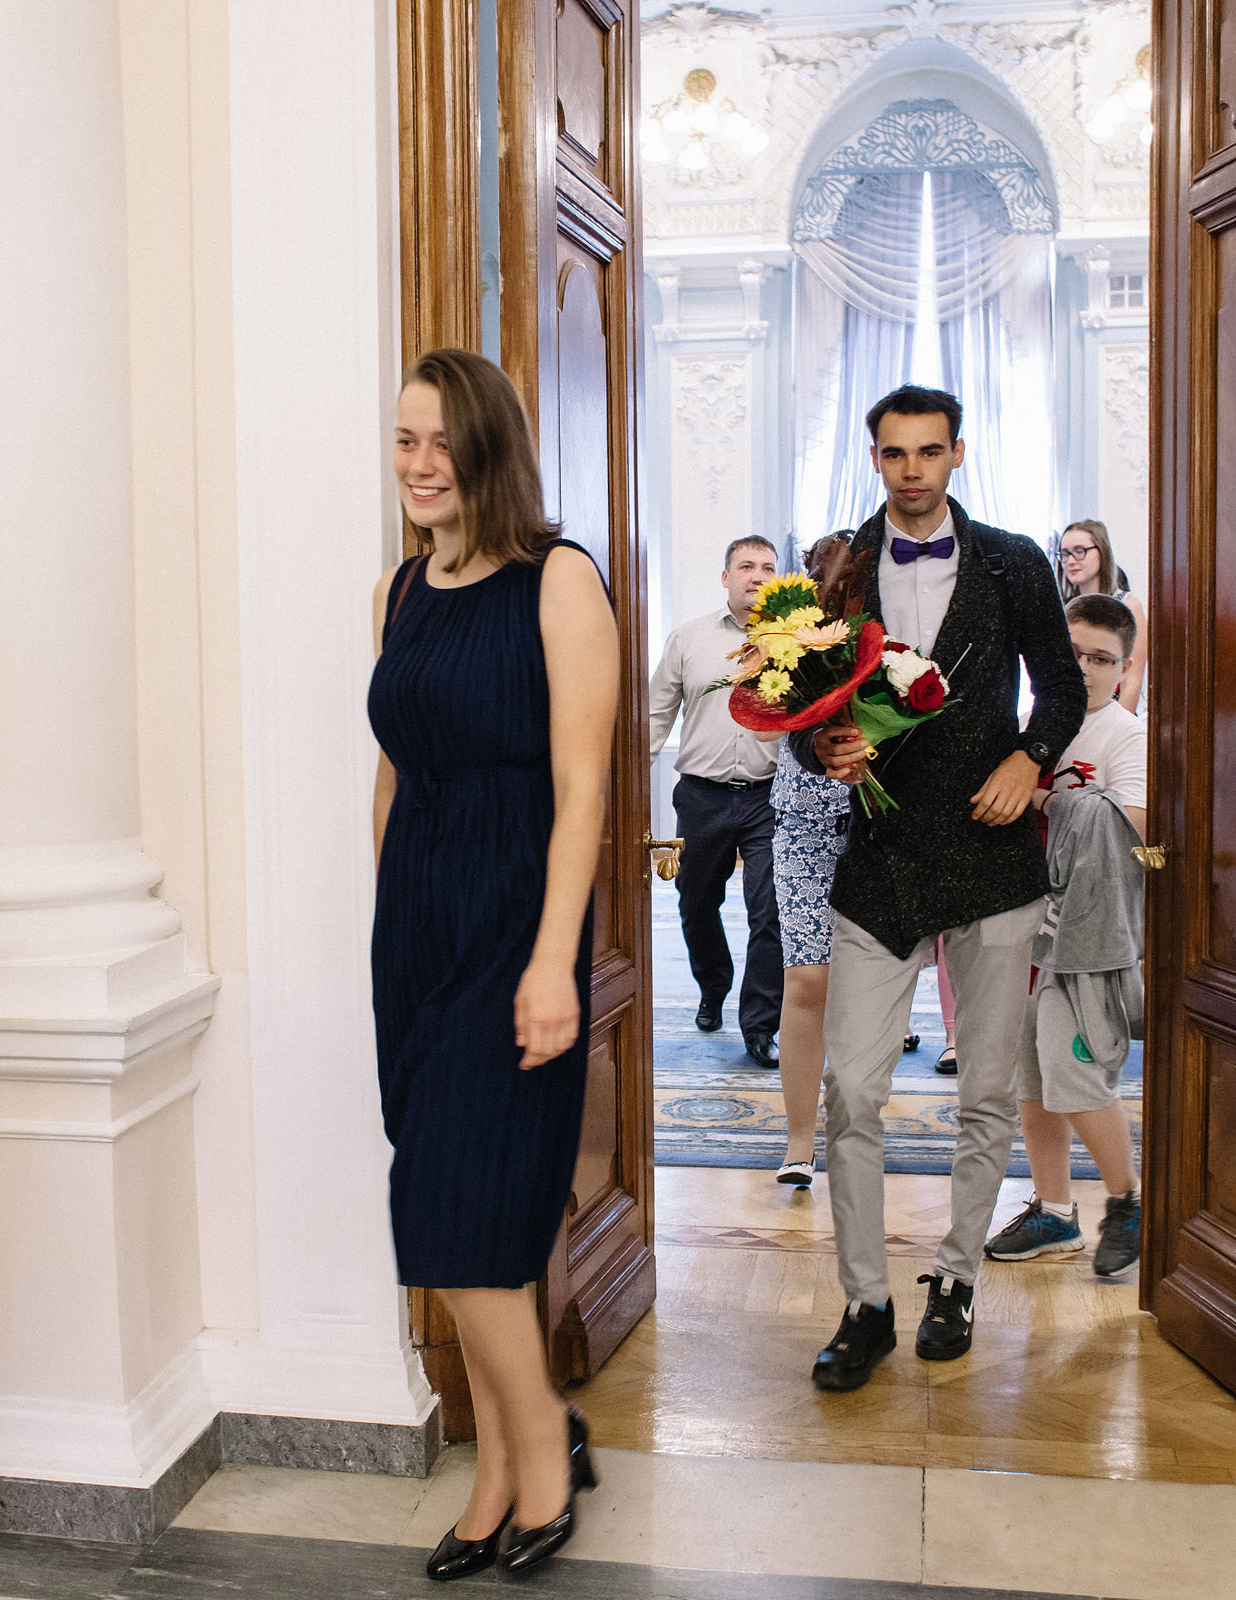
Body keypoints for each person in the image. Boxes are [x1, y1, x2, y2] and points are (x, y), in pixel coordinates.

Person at [368, 347, 616, 1579]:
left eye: (438, 442)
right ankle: (518, 1454)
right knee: (445, 1203)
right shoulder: (399, 591)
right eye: (403, 440)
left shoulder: (560, 581)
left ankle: (529, 1460)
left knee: (464, 1217)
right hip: (417, 927)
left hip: (516, 920)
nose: (418, 465)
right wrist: (385, 916)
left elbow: (584, 790)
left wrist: (555, 960)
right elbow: (396, 770)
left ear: (486, 447)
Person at [795, 385, 1087, 1393]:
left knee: (988, 1093)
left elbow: (1061, 681)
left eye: (929, 451)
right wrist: (819, 742)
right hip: (876, 867)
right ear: (873, 457)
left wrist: (1032, 758)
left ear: (958, 453)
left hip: (992, 859)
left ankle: (956, 1278)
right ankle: (866, 1301)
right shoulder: (834, 565)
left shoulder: (1013, 559)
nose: (911, 469)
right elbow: (800, 701)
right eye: (893, 453)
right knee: (853, 1092)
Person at [986, 593, 1148, 1277]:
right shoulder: (1037, 724)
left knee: (1074, 1069)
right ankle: (1054, 1211)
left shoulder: (1124, 735)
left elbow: (1132, 826)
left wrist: (1046, 797)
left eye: (1101, 659)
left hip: (1082, 937)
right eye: (1074, 653)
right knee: (1028, 1074)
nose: (1084, 668)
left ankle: (1129, 1202)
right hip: (1024, 923)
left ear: (1124, 666)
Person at [648, 536, 783, 1066]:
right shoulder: (689, 639)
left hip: (769, 798)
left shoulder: (800, 643)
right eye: (745, 566)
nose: (756, 575)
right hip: (701, 796)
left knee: (769, 910)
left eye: (767, 568)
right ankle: (713, 985)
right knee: (695, 901)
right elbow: (657, 714)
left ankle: (760, 1026)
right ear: (725, 577)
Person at [765, 532, 857, 1186]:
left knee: (871, 989)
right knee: (808, 979)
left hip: (881, 823)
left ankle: (859, 1135)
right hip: (804, 823)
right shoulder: (790, 640)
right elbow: (787, 723)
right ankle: (800, 1140)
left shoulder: (895, 631)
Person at [1054, 518, 1148, 712]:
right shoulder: (1062, 610)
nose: (1070, 560)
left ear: (1102, 551)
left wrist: (1118, 728)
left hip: (1113, 714)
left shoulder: (1128, 605)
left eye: (1080, 551)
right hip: (1070, 715)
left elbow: (1132, 680)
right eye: (1064, 554)